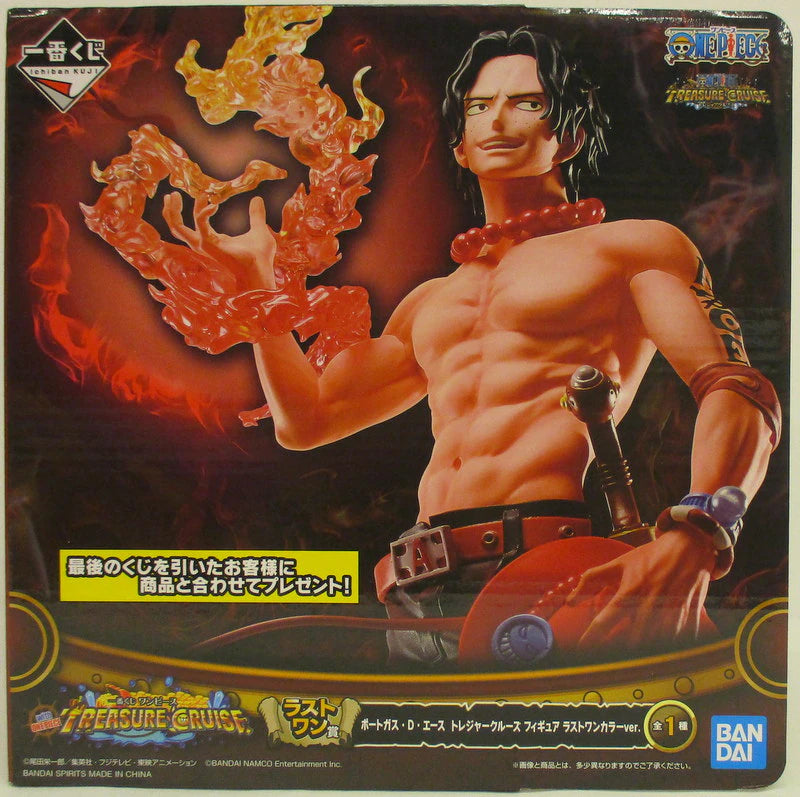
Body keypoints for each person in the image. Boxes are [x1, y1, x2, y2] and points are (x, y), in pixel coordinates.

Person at [162, 28, 780, 665]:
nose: (499, 121)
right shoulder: (430, 302)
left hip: (546, 570)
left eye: (528, 102)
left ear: (568, 136)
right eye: (479, 107)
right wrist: (257, 286)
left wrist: (701, 528)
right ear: (459, 144)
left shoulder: (629, 249)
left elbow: (735, 388)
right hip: (415, 591)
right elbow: (308, 420)